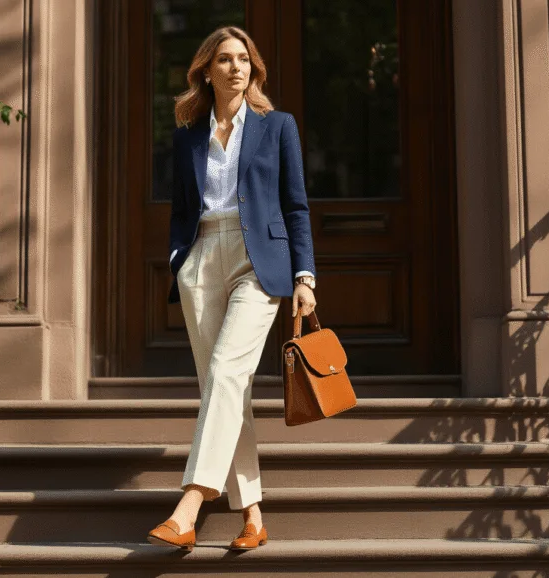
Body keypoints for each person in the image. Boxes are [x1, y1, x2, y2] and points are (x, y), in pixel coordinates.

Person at [147, 25, 317, 552]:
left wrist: (304, 275)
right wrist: (180, 260)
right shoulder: (188, 136)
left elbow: (296, 205)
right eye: (224, 59)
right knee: (225, 387)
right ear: (206, 71)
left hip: (258, 262)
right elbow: (180, 208)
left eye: (244, 59)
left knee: (225, 371)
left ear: (254, 70)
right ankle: (253, 514)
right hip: (202, 256)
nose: (236, 68)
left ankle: (190, 503)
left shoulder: (276, 126)